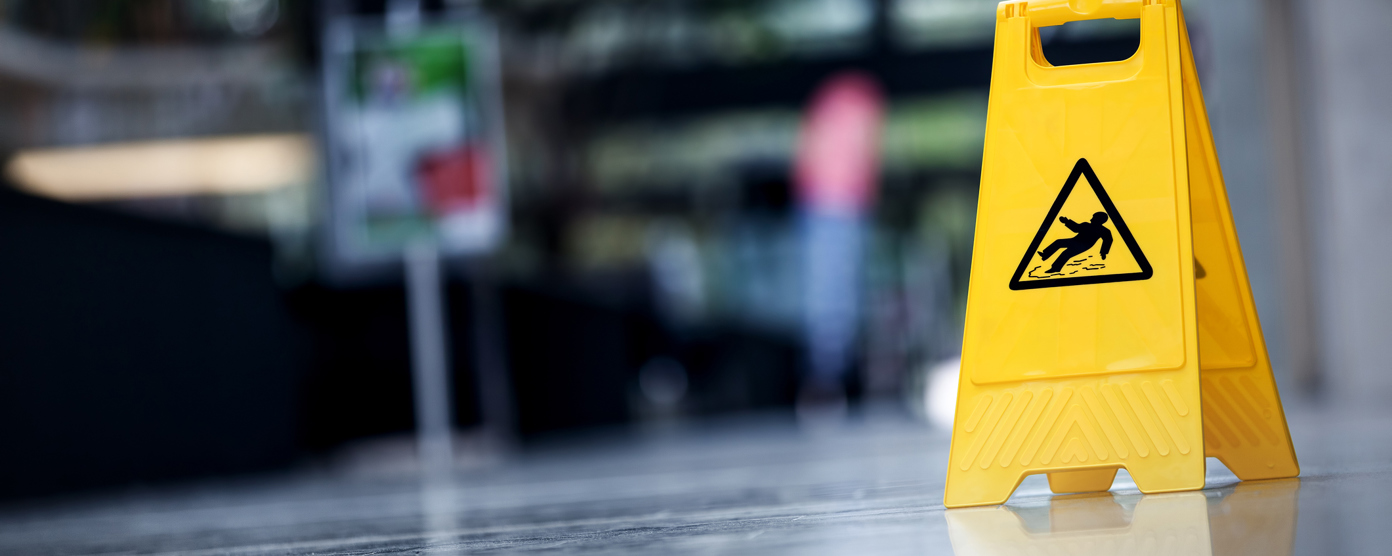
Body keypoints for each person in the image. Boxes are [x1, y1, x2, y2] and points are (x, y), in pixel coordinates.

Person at [1039, 212, 1112, 273]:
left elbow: (1107, 241)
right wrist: (1066, 221)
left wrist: (1103, 253)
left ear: (1099, 220)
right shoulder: (1086, 225)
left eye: (1094, 217)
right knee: (1058, 242)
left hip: (1083, 245)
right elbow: (1076, 228)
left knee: (1066, 253)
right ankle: (1045, 255)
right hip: (1074, 241)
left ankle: (1055, 268)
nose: (1091, 219)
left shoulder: (1104, 230)